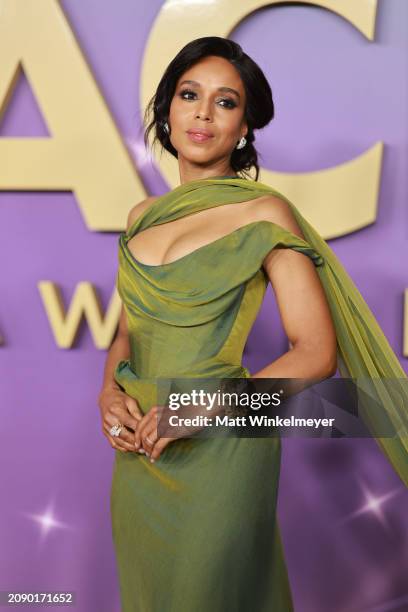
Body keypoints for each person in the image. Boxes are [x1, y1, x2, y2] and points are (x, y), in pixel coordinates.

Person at [98, 37, 408, 612]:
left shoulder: (264, 213)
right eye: (190, 95)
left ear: (244, 126)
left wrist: (197, 410)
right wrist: (108, 393)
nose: (203, 113)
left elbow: (315, 353)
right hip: (140, 450)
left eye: (225, 102)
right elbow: (126, 334)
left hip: (220, 449)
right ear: (167, 110)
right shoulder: (142, 216)